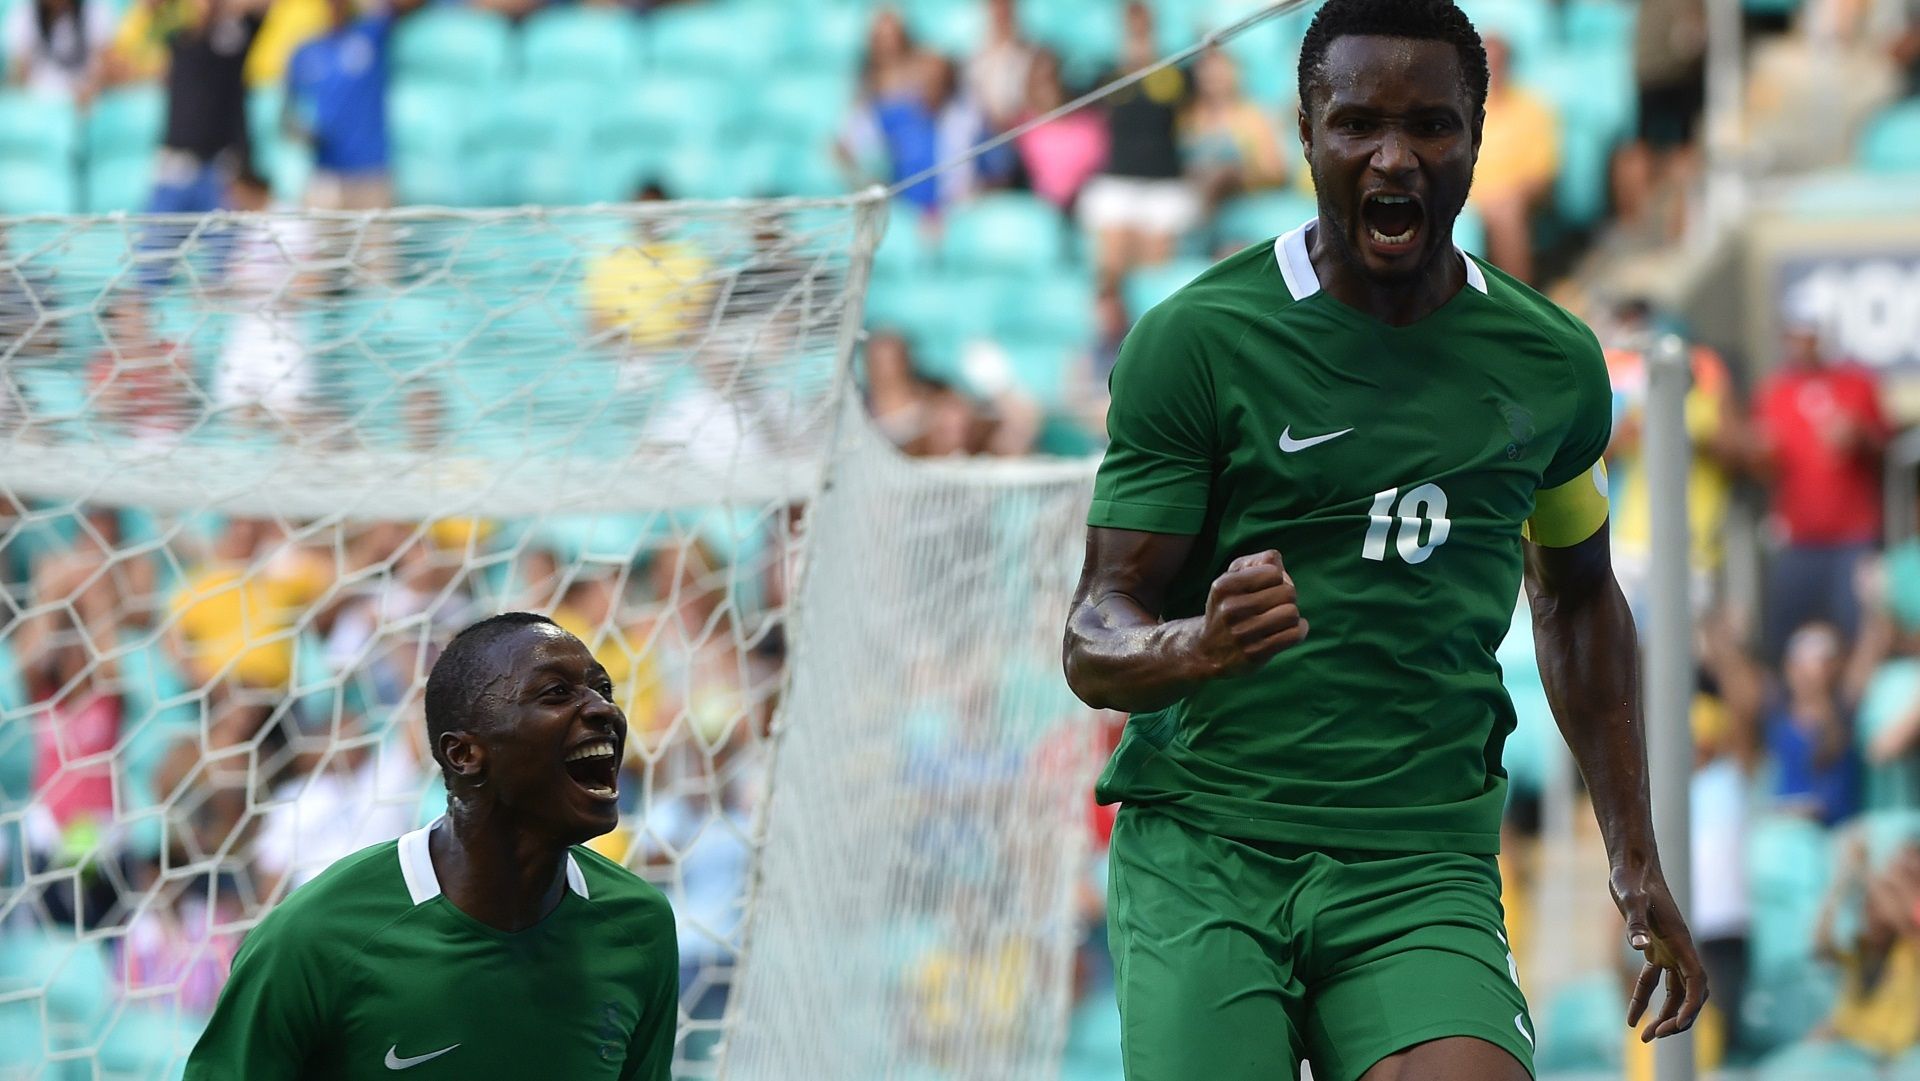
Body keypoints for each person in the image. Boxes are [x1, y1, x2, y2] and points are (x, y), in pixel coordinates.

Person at [1059, 3, 1707, 1079]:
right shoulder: (1196, 340)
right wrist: (1195, 646)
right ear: (1306, 130)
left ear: (1477, 139)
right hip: (1209, 847)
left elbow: (1580, 595)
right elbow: (1093, 631)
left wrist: (1633, 855)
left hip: (1417, 860)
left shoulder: (1549, 366)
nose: (1394, 156)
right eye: (1358, 123)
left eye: (1431, 126)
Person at [183, 612, 679, 1080]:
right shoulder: (315, 938)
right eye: (556, 693)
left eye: (604, 689)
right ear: (463, 754)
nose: (603, 708)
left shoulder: (639, 926)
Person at [1750, 317, 1890, 661]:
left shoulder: (1857, 384)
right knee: (1782, 638)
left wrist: (1859, 436)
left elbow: (1885, 446)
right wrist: (1756, 453)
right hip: (1797, 537)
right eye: (1795, 337)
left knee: (1856, 635)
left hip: (1853, 537)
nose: (1801, 345)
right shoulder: (1773, 391)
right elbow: (1761, 463)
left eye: (1808, 337)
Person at [1078, 1, 1196, 284]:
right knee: (1112, 257)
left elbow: (1181, 102)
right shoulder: (1108, 77)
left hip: (1164, 183)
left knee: (1154, 266)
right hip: (1117, 180)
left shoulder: (1174, 74)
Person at [1467, 33, 1558, 283]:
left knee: (1508, 213)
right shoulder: (1463, 108)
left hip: (1517, 196)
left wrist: (1507, 196)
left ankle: (1517, 303)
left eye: (1498, 63)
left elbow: (1543, 172)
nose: (1492, 71)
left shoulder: (1532, 108)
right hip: (1472, 196)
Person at [3, 0, 115, 101]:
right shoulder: (25, 10)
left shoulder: (94, 7)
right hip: (40, 99)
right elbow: (20, 70)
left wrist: (91, 89)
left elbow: (106, 61)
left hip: (88, 96)